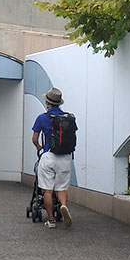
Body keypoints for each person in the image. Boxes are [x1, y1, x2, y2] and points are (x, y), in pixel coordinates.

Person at [32, 87, 76, 228]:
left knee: (47, 190)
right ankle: (63, 206)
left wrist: (40, 149)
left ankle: (51, 220)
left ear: (47, 103)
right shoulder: (68, 118)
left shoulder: (42, 118)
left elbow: (34, 139)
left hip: (49, 156)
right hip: (65, 157)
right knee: (61, 188)